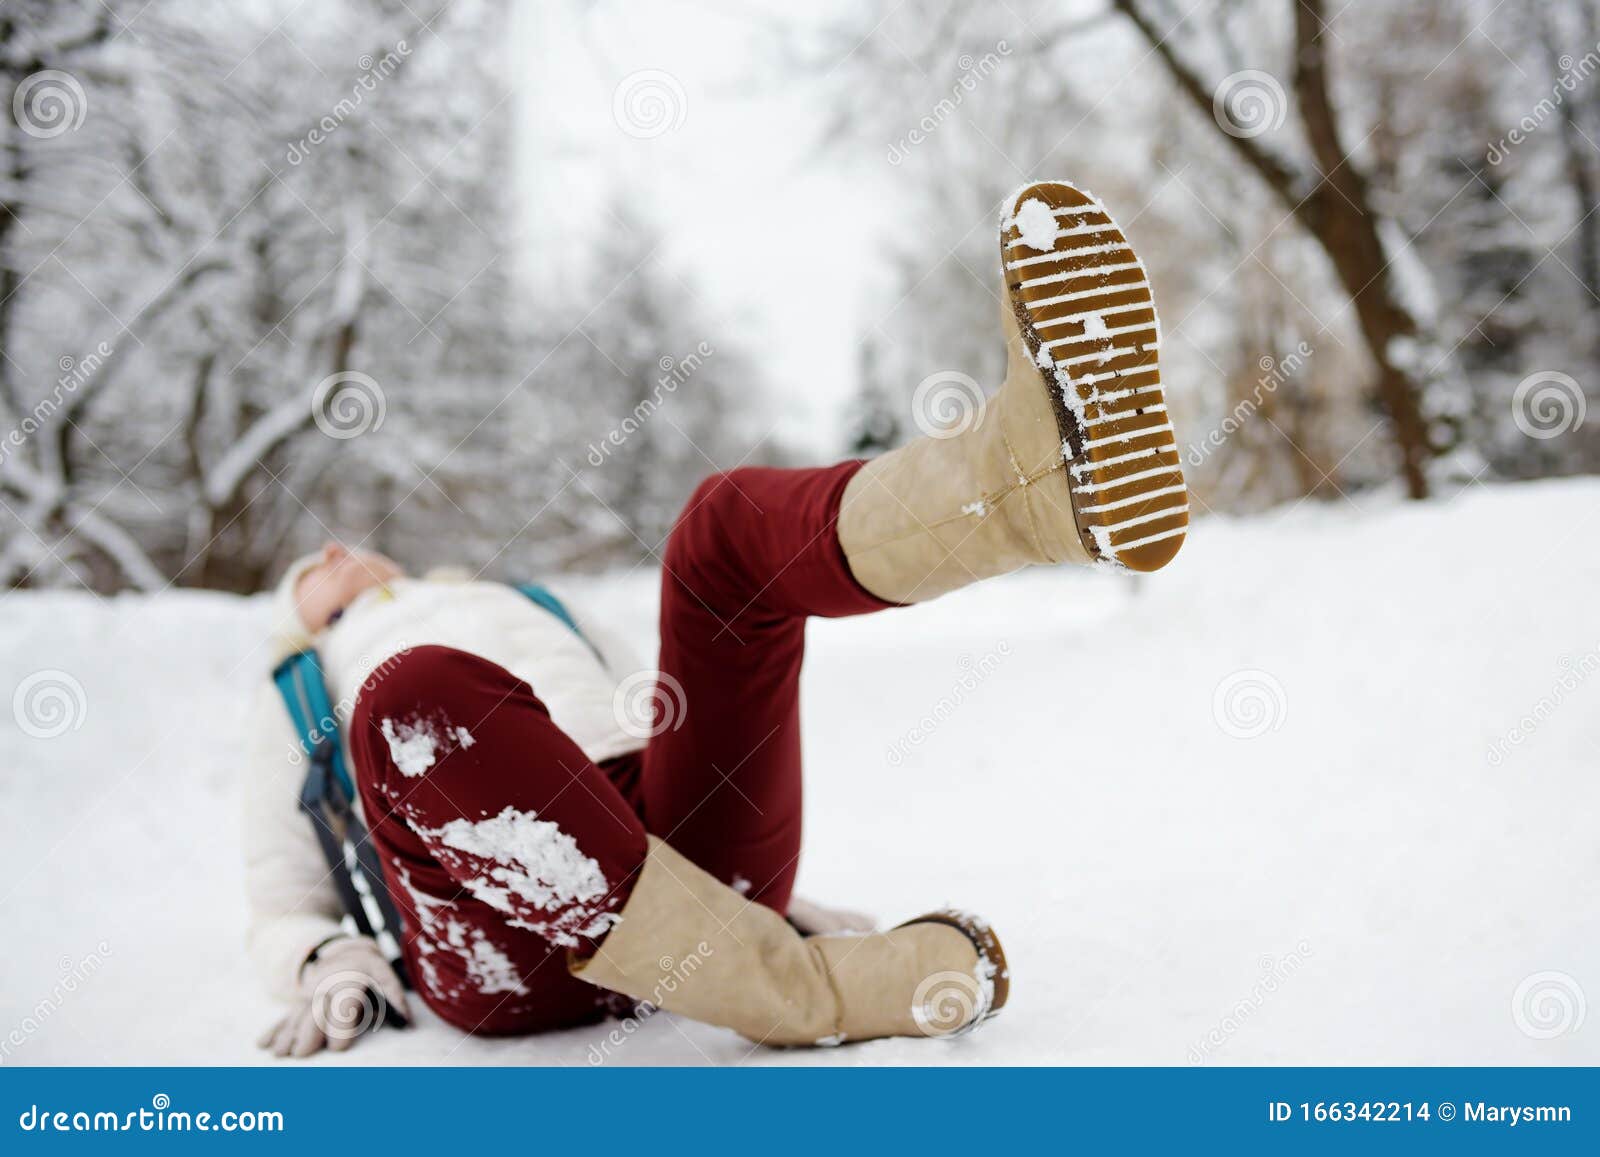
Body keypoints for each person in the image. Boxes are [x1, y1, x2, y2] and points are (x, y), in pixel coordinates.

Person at [244, 180, 1186, 1057]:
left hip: (671, 855)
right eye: (309, 576)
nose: (331, 556)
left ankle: (1026, 486)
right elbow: (281, 892)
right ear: (303, 621)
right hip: (504, 935)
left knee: (716, 530)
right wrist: (326, 962)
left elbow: (665, 710)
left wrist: (751, 909)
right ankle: (804, 992)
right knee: (412, 699)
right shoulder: (300, 685)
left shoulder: (528, 601)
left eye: (337, 549)